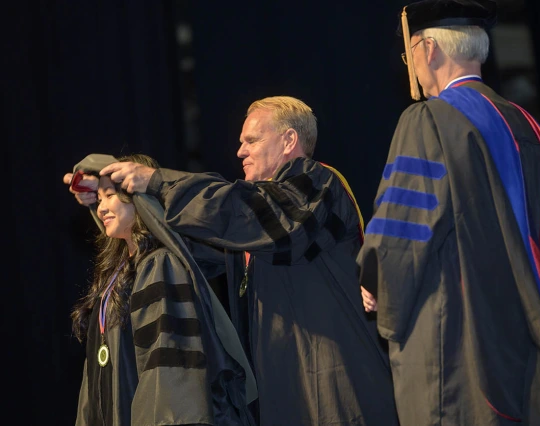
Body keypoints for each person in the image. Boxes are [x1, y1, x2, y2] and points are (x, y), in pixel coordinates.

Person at [64, 96, 399, 425]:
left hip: (338, 383)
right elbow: (175, 245)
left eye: (252, 140)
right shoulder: (248, 229)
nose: (240, 151)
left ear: (289, 140)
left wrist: (155, 180)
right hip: (283, 391)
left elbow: (238, 211)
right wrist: (111, 200)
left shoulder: (316, 184)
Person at [356, 1, 540, 425]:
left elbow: (401, 232)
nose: (409, 65)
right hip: (526, 342)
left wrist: (376, 280)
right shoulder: (526, 123)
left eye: (408, 52)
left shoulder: (430, 119)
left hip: (457, 344)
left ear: (429, 49)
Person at [69, 153, 257, 426]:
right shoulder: (118, 276)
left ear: (139, 199)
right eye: (99, 200)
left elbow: (168, 369)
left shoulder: (160, 265)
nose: (101, 209)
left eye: (110, 196)